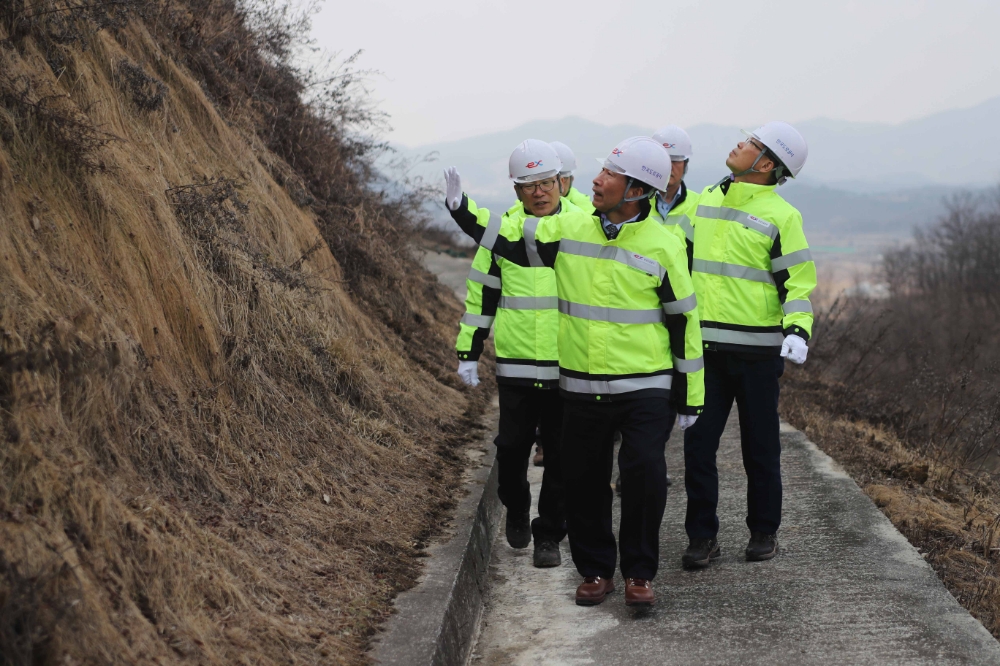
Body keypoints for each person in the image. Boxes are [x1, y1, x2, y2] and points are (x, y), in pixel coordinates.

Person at [444, 136, 704, 607]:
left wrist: (690, 394)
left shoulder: (665, 246)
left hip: (646, 386)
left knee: (643, 475)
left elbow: (684, 321)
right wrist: (463, 211)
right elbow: (511, 245)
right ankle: (597, 570)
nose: (595, 180)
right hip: (581, 385)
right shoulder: (571, 230)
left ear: (636, 190)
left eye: (609, 175)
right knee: (584, 480)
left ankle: (640, 574)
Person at [681, 122, 816, 569]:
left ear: (767, 164)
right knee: (698, 447)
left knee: (760, 448)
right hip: (705, 353)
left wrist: (798, 329)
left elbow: (797, 283)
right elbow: (672, 261)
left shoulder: (782, 216)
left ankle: (764, 531)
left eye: (752, 144)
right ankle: (702, 536)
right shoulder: (702, 202)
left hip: (757, 355)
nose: (740, 144)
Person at [454, 139, 576, 568]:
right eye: (528, 185)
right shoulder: (501, 232)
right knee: (510, 450)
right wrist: (469, 350)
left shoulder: (583, 228)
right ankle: (518, 506)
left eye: (545, 183)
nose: (538, 192)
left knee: (562, 458)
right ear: (517, 190)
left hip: (569, 368)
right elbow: (481, 298)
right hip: (517, 365)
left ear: (561, 182)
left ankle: (549, 536)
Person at [615, 125, 698, 496]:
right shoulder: (631, 200)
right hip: (634, 307)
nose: (671, 168)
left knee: (658, 398)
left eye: (677, 161)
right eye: (665, 161)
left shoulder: (698, 208)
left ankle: (647, 461)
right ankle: (631, 464)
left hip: (674, 306)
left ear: (685, 165)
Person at [549, 141, 595, 213]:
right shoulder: (528, 203)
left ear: (572, 179)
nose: (560, 186)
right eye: (548, 181)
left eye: (563, 179)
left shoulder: (585, 209)